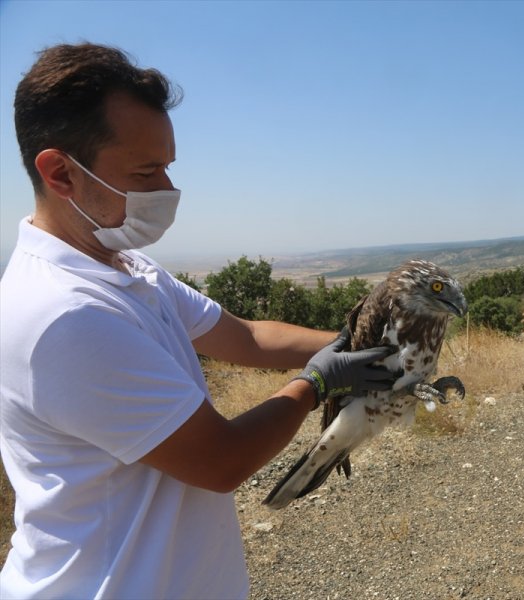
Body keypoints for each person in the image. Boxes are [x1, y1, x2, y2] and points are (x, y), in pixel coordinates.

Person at [0, 43, 398, 599]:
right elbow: (222, 460)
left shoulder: (122, 265)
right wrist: (319, 381)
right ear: (60, 173)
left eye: (167, 167)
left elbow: (246, 336)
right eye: (145, 172)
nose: (167, 190)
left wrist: (373, 345)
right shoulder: (64, 316)